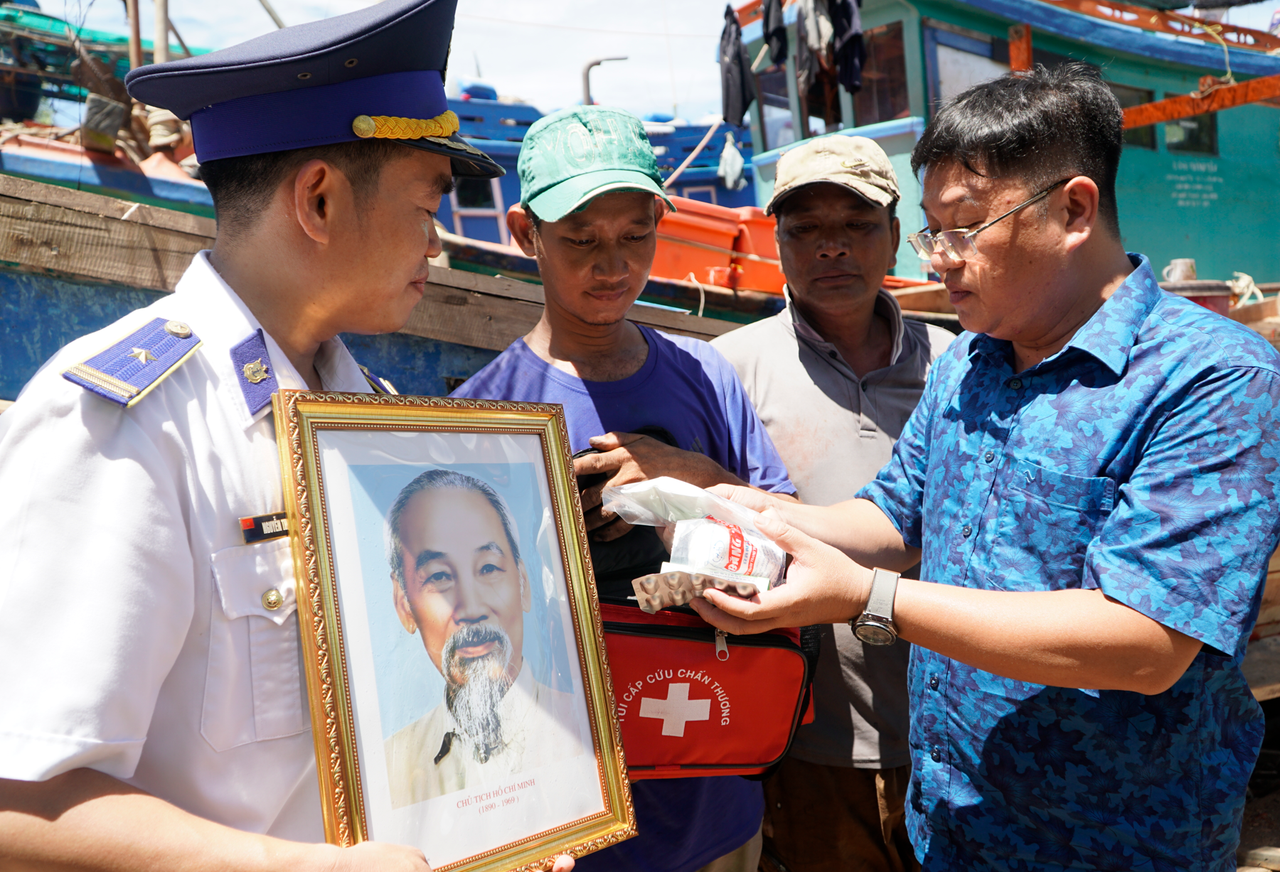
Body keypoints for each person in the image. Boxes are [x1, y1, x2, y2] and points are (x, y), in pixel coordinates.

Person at [0, 1, 573, 869]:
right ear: (318, 199)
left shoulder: (370, 420)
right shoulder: (131, 423)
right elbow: (23, 803)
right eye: (426, 209)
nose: (439, 246)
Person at [691, 62, 1280, 870]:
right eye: (930, 231)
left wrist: (869, 599)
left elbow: (1146, 640)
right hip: (955, 822)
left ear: (1073, 209)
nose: (938, 260)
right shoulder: (971, 361)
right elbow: (894, 517)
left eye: (962, 230)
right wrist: (746, 513)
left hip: (1116, 841)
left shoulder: (1212, 379)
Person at [452, 104, 796, 872]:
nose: (611, 264)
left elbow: (792, 541)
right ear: (523, 234)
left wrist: (697, 484)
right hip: (568, 816)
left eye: (635, 235)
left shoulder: (705, 374)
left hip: (713, 789)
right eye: (580, 240)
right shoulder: (484, 409)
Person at [712, 135, 952, 872]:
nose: (831, 247)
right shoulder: (727, 368)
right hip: (809, 731)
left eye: (855, 224)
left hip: (955, 730)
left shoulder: (960, 362)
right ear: (776, 240)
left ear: (893, 236)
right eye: (806, 229)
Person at [383, 469, 584, 805]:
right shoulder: (388, 772)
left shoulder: (586, 728)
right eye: (439, 576)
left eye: (489, 568)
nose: (472, 607)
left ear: (523, 584)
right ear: (404, 605)